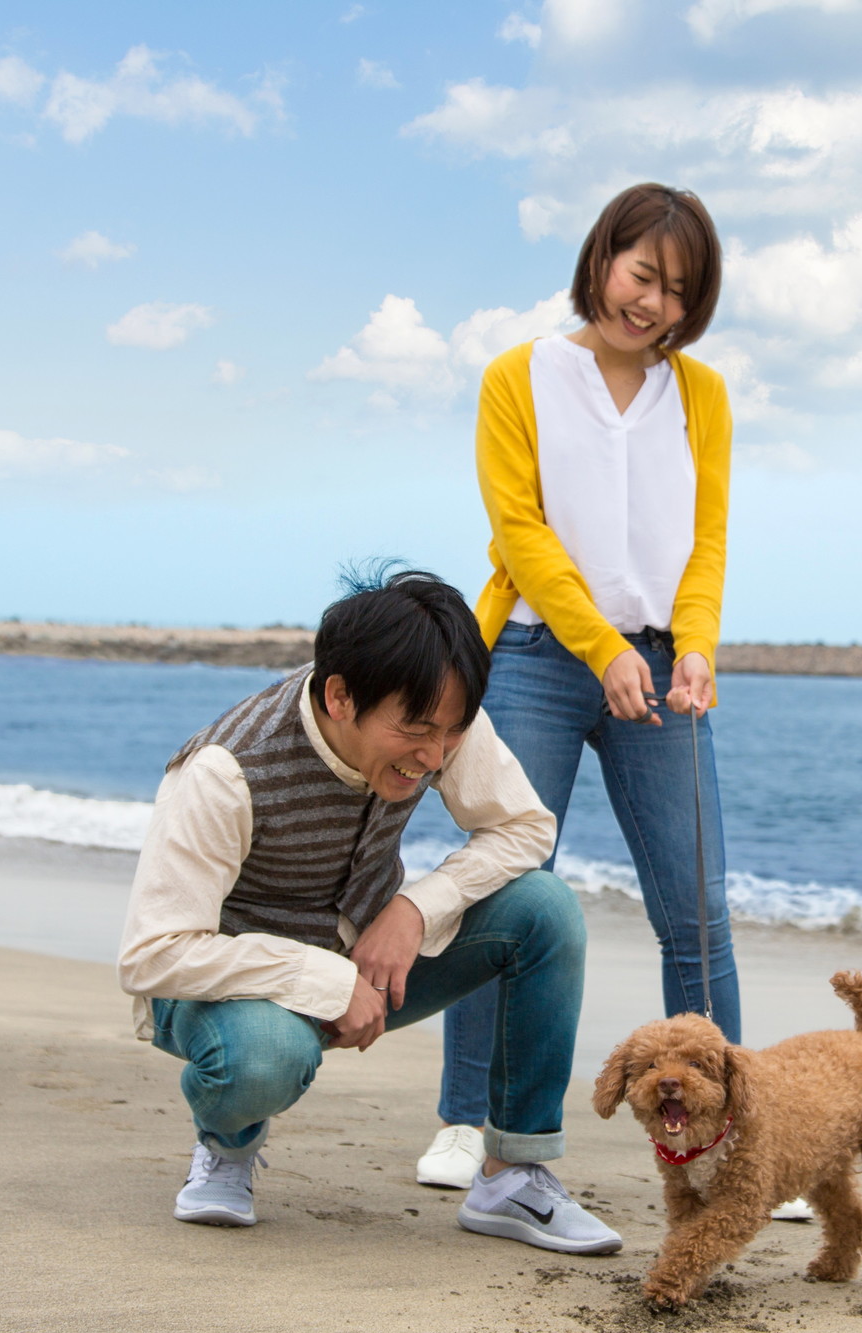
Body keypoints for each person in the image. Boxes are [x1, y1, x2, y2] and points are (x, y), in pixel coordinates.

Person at [416, 183, 790, 1215]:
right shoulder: (518, 375)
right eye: (641, 275)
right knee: (508, 891)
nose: (654, 304)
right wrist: (598, 645)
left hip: (665, 663)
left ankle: (737, 1142)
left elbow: (706, 539)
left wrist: (695, 648)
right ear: (601, 259)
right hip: (536, 651)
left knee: (696, 910)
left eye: (678, 290)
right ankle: (468, 1119)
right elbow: (520, 531)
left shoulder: (703, 395)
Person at [118, 567, 622, 1254]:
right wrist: (326, 982)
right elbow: (155, 954)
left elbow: (525, 828)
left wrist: (415, 908)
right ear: (339, 697)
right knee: (264, 1056)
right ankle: (226, 1143)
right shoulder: (224, 771)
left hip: (368, 957)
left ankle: (512, 1178)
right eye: (416, 731)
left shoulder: (439, 715)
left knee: (543, 907)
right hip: (222, 989)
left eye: (451, 732)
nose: (434, 754)